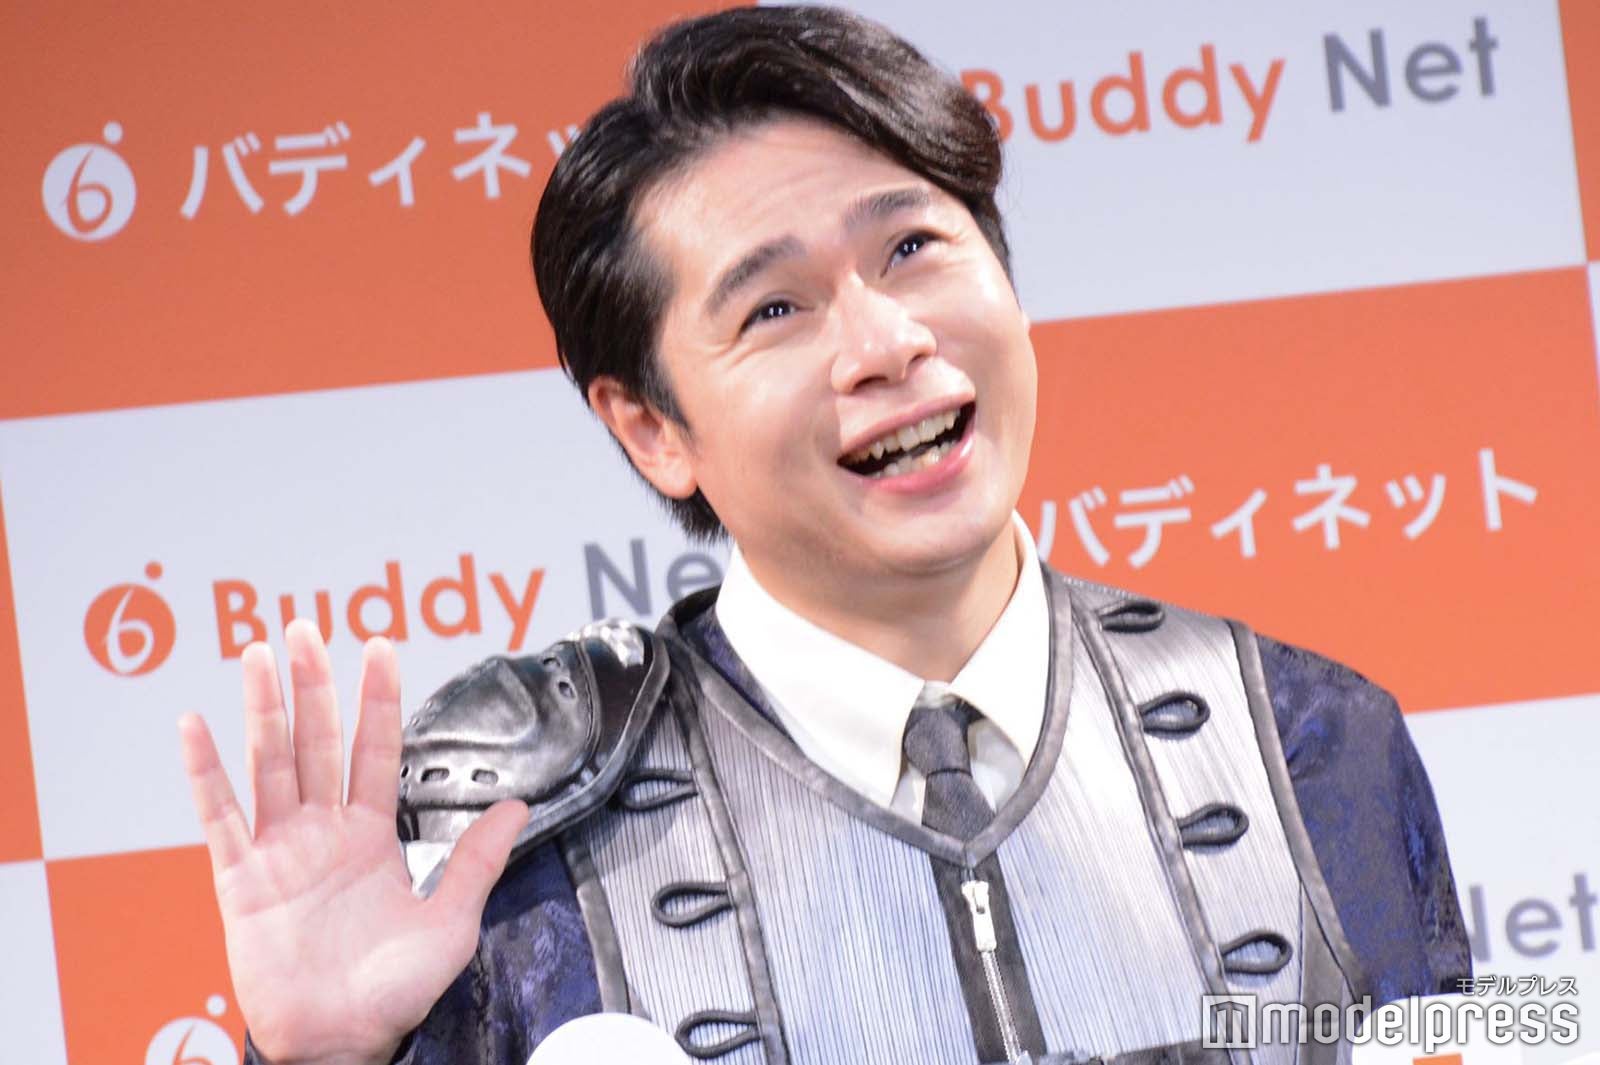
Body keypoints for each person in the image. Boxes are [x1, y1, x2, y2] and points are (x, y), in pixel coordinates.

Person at [176, 7, 1471, 1065]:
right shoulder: (511, 842)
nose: (885, 342)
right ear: (652, 430)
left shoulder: (1310, 737)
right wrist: (324, 1062)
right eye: (776, 309)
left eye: (912, 247)